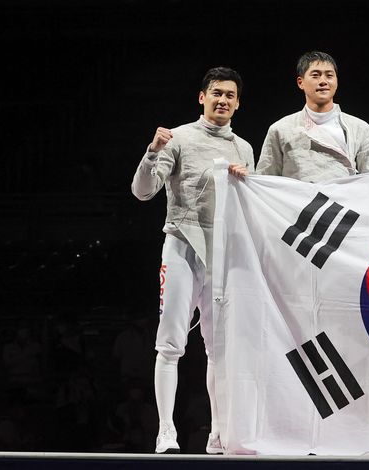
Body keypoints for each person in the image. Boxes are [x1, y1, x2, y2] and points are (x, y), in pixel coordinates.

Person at [131, 67, 254, 455]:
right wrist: (152, 153)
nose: (223, 100)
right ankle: (166, 430)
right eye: (217, 93)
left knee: (219, 349)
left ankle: (217, 433)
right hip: (183, 246)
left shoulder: (245, 148)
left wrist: (245, 180)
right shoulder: (179, 138)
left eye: (230, 95)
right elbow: (143, 192)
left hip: (223, 256)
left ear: (237, 102)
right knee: (170, 344)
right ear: (202, 97)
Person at [256, 51, 369, 182]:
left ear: (336, 81)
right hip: (300, 201)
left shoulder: (360, 128)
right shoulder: (280, 129)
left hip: (344, 201)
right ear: (300, 82)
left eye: (329, 75)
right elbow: (265, 181)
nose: (323, 81)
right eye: (315, 75)